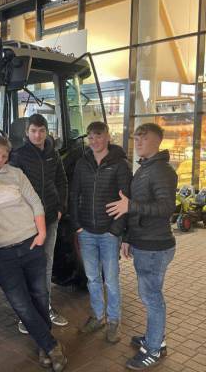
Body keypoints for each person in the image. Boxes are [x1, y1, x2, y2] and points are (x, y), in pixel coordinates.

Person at [0, 134, 67, 372]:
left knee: (40, 294)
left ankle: (43, 345)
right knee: (21, 303)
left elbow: (36, 203)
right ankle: (51, 345)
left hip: (30, 242)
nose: (0, 160)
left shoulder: (15, 173)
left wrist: (41, 234)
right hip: (0, 252)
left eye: (5, 156)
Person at [106, 123, 177, 370]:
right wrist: (128, 238)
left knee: (152, 298)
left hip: (155, 246)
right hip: (145, 243)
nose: (137, 143)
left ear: (156, 141)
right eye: (136, 139)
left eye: (142, 139)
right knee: (150, 295)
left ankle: (154, 350)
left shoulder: (162, 171)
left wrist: (131, 207)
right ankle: (155, 339)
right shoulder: (146, 168)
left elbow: (167, 208)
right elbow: (135, 207)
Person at [70, 121, 132, 343]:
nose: (94, 140)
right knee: (92, 278)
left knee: (111, 280)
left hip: (108, 234)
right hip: (85, 231)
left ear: (107, 136)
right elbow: (73, 194)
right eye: (90, 136)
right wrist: (77, 225)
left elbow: (126, 200)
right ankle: (98, 316)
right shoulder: (81, 163)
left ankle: (114, 320)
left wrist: (116, 230)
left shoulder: (120, 165)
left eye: (98, 135)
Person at [9, 113, 68, 332]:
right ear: (27, 132)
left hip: (51, 217)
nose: (37, 134)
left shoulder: (53, 154)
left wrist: (61, 207)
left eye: (41, 130)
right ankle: (27, 314)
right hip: (28, 221)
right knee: (29, 265)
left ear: (47, 132)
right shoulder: (19, 155)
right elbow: (13, 186)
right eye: (33, 130)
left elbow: (62, 181)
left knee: (47, 262)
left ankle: (46, 306)